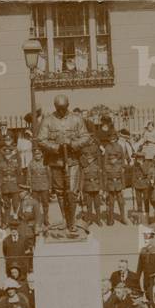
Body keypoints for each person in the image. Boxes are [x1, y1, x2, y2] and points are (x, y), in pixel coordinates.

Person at [35, 95, 89, 231]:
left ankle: (72, 221)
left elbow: (86, 137)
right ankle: (65, 219)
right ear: (55, 107)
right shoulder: (48, 120)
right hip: (56, 161)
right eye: (58, 108)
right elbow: (40, 140)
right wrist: (55, 147)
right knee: (59, 192)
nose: (61, 111)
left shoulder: (77, 119)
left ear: (68, 106)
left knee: (72, 192)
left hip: (73, 160)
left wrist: (72, 144)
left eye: (64, 108)